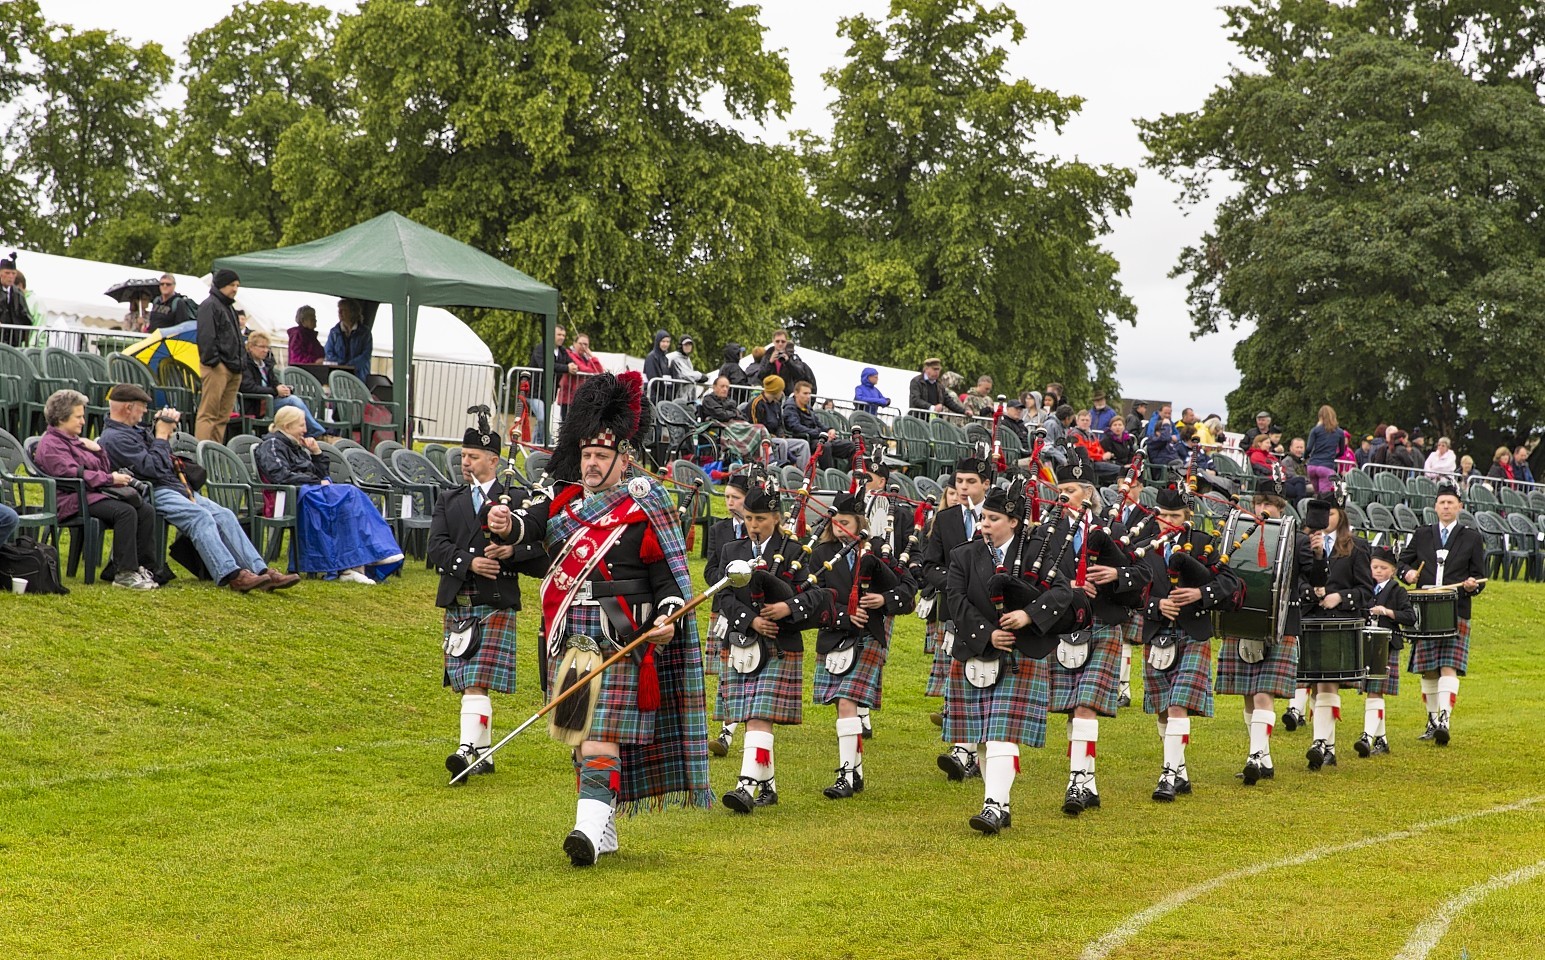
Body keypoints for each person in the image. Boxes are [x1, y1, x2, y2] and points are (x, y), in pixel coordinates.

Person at [489, 371, 710, 866]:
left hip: (622, 634)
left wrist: (671, 614)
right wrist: (506, 525)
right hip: (569, 634)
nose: (590, 463)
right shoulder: (569, 506)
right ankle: (603, 828)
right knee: (577, 734)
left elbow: (670, 576)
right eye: (586, 455)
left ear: (622, 459)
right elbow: (534, 537)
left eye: (600, 456)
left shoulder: (645, 504)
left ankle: (585, 831)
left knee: (598, 734)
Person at [943, 480, 1079, 834]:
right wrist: (988, 633)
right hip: (977, 650)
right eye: (983, 517)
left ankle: (991, 805)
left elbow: (1063, 592)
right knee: (985, 734)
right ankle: (1000, 804)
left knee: (1002, 732)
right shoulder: (964, 555)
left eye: (992, 518)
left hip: (1022, 652)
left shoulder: (1036, 550)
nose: (984, 524)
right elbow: (955, 602)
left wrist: (1028, 615)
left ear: (1013, 521)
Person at [427, 411, 549, 784]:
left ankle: (465, 751)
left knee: (475, 679)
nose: (465, 462)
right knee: (468, 681)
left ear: (494, 460)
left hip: (494, 599)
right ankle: (484, 753)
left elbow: (543, 555)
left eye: (473, 456)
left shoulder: (518, 500)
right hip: (459, 597)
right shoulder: (449, 499)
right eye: (463, 456)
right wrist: (472, 562)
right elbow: (436, 548)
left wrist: (513, 552)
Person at [99, 383, 299, 593]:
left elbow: (162, 461)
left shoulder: (134, 431)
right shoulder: (114, 438)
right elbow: (154, 469)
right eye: (141, 406)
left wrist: (161, 432)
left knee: (225, 515)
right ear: (128, 408)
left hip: (173, 487)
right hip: (153, 491)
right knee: (199, 517)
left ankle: (261, 571)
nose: (145, 411)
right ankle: (233, 575)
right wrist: (160, 436)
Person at [714, 472, 831, 812]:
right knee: (752, 714)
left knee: (758, 716)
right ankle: (767, 786)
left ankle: (746, 786)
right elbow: (724, 599)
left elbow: (814, 594)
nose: (754, 525)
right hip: (742, 642)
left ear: (776, 518)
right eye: (749, 518)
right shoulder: (730, 550)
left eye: (761, 519)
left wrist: (785, 608)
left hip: (781, 645)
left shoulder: (796, 550)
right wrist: (751, 620)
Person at [1045, 456, 1151, 815]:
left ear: (1088, 493)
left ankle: (1076, 781)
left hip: (1102, 625)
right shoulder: (1047, 534)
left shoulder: (1114, 531)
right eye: (1060, 491)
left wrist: (1115, 576)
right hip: (1063, 626)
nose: (1064, 496)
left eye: (1071, 490)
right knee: (1073, 712)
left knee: (1086, 706)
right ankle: (1087, 783)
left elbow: (1141, 579)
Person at [810, 489, 916, 801]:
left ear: (860, 522)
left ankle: (844, 774)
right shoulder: (822, 553)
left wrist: (883, 598)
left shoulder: (880, 548)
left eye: (847, 522)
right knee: (844, 706)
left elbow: (907, 588)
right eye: (836, 522)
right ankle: (854, 772)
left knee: (847, 701)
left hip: (871, 632)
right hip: (836, 633)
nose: (841, 527)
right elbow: (816, 598)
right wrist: (844, 615)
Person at [1138, 484, 1242, 801]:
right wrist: (1156, 605)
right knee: (1162, 711)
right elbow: (1129, 594)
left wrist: (1199, 593)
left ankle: (1168, 775)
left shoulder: (1204, 545)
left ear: (1188, 516)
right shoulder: (1144, 548)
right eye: (1164, 515)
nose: (1168, 521)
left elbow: (1231, 584)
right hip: (1156, 634)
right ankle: (1179, 771)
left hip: (1193, 633)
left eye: (1176, 516)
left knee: (1177, 704)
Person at [1214, 479, 1320, 784]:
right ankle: (1263, 757)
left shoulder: (1297, 539)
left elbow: (1313, 576)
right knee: (1248, 694)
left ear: (1280, 508)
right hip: (1244, 620)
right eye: (1260, 503)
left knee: (1262, 694)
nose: (1264, 509)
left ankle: (1254, 756)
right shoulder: (1239, 536)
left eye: (1270, 504)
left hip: (1281, 622)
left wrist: (1317, 554)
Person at [255, 406, 404, 584]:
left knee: (351, 498)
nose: (305, 430)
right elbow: (279, 476)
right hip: (292, 498)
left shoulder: (296, 446)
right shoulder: (271, 445)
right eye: (302, 425)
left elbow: (321, 476)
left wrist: (316, 453)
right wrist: (316, 483)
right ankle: (357, 563)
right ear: (287, 426)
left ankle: (360, 562)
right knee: (349, 494)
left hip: (309, 493)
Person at [32, 389, 160, 589]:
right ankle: (124, 574)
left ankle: (141, 567)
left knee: (145, 510)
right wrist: (110, 479)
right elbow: (73, 474)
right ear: (61, 418)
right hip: (70, 501)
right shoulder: (52, 445)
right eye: (79, 417)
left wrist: (98, 451)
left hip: (90, 496)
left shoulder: (75, 441)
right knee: (125, 512)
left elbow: (100, 468)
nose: (83, 422)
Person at [1398, 484, 1485, 747]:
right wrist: (1408, 574)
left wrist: (1473, 585)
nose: (1446, 507)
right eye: (1442, 503)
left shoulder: (1471, 537)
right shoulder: (1423, 534)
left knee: (1449, 664)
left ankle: (1445, 720)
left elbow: (1480, 577)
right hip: (1425, 607)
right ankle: (1432, 720)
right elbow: (1402, 562)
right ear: (1435, 507)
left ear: (1460, 507)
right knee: (1427, 669)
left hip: (1455, 607)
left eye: (1451, 502)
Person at [922, 455, 992, 769]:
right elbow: (929, 564)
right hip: (955, 609)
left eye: (971, 482)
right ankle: (963, 749)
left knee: (987, 678)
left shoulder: (997, 516)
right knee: (961, 677)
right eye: (959, 482)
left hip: (991, 609)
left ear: (986, 485)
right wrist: (956, 584)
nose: (963, 488)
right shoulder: (947, 518)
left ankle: (979, 750)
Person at [1296, 493, 1374, 771]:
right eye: (1321, 514)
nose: (1326, 519)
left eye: (1331, 513)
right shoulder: (1302, 545)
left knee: (1327, 683)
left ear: (1341, 515)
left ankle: (1319, 743)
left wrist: (1340, 597)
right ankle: (1327, 748)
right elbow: (1297, 582)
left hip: (1339, 622)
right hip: (1310, 619)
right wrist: (1311, 591)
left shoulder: (1357, 547)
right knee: (1315, 683)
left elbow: (1366, 591)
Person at [704, 473, 750, 756]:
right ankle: (726, 730)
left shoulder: (759, 533)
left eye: (736, 498)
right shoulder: (718, 529)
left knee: (739, 669)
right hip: (722, 608)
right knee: (725, 672)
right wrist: (725, 590)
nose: (730, 503)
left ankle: (726, 732)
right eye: (727, 497)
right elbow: (709, 571)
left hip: (749, 610)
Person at [1358, 545, 1415, 759]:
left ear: (1392, 571)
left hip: (1388, 645)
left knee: (1376, 690)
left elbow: (1410, 617)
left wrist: (1388, 612)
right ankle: (1381, 740)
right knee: (1373, 690)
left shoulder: (1397, 591)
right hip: (1367, 644)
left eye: (1383, 567)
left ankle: (1367, 737)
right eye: (1374, 567)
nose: (1378, 571)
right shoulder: (1365, 588)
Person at [241, 332, 330, 438]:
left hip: (269, 402)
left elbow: (274, 383)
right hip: (254, 405)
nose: (265, 350)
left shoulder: (266, 364)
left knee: (294, 401)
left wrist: (283, 388)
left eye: (267, 347)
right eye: (262, 347)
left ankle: (304, 434)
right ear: (251, 347)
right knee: (293, 401)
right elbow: (248, 387)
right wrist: (275, 391)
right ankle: (317, 434)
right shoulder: (245, 364)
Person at [194, 269, 245, 443]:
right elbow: (206, 336)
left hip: (232, 367)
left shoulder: (229, 307)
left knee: (223, 417)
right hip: (218, 367)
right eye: (232, 284)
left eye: (237, 285)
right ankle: (202, 453)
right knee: (209, 414)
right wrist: (214, 362)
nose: (235, 289)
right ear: (222, 285)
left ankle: (215, 452)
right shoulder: (210, 305)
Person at [783, 380, 854, 469]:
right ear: (796, 393)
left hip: (819, 438)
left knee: (851, 446)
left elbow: (819, 423)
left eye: (809, 394)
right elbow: (795, 427)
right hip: (805, 439)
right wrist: (820, 434)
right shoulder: (790, 408)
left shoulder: (808, 408)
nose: (808, 396)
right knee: (825, 446)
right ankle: (828, 476)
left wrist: (829, 430)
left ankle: (849, 478)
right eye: (805, 393)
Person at [744, 376, 810, 470]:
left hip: (776, 438)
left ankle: (802, 476)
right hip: (761, 440)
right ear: (775, 390)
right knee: (782, 443)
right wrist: (771, 436)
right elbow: (755, 427)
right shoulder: (756, 404)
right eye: (781, 390)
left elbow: (779, 425)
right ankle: (780, 474)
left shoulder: (776, 405)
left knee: (803, 444)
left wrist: (781, 434)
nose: (782, 393)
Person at [325, 298, 373, 384]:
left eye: (343, 310)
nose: (340, 313)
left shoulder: (365, 333)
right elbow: (329, 353)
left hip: (359, 377)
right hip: (338, 377)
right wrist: (342, 365)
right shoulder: (334, 332)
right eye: (339, 310)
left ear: (352, 312)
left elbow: (366, 355)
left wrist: (350, 366)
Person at [753, 329, 817, 394]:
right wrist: (770, 363)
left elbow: (800, 375)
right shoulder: (767, 356)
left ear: (786, 342)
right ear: (773, 341)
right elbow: (760, 376)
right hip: (771, 393)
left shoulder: (792, 357)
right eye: (777, 341)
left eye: (783, 341)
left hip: (787, 394)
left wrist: (788, 362)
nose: (780, 344)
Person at [558, 332, 605, 417]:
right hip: (569, 397)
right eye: (580, 343)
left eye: (586, 344)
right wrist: (592, 370)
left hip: (583, 398)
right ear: (574, 343)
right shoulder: (569, 354)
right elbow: (582, 369)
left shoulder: (587, 358)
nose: (583, 346)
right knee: (567, 423)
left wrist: (592, 357)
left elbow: (599, 371)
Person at [1305, 405, 1344, 495]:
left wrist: (1305, 457)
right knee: (1324, 496)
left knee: (1316, 493)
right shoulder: (1339, 432)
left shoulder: (1315, 430)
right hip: (1326, 467)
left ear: (1320, 417)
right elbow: (1341, 452)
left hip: (1312, 466)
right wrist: (1333, 456)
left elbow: (1309, 448)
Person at [1, 252, 35, 348]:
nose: (10, 276)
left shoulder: (18, 294)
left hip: (13, 341)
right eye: (7, 273)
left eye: (13, 273)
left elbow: (27, 318)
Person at [665, 335, 708, 403]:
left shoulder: (687, 358)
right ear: (680, 346)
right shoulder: (674, 357)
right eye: (685, 345)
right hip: (676, 394)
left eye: (690, 345)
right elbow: (685, 374)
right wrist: (700, 376)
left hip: (687, 394)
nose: (688, 347)